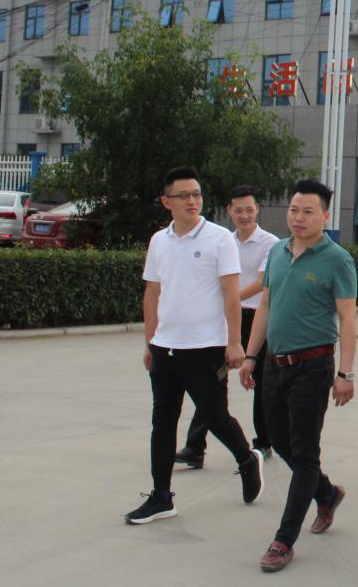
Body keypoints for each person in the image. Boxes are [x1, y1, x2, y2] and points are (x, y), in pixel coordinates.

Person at [124, 166, 263, 525]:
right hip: (165, 349)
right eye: (184, 195)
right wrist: (149, 343)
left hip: (206, 349)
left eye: (197, 194)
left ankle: (247, 459)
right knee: (163, 422)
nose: (192, 201)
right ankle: (161, 496)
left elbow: (232, 296)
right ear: (166, 201)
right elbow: (152, 294)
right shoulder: (159, 241)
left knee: (215, 416)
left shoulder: (218, 239)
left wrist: (234, 342)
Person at [236, 179, 357, 572]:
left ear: (325, 216)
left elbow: (348, 318)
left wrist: (345, 373)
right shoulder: (276, 251)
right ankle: (326, 492)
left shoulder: (337, 259)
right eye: (293, 209)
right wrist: (251, 356)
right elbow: (265, 307)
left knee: (304, 453)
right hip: (274, 364)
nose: (299, 217)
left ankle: (283, 540)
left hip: (313, 366)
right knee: (282, 444)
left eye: (308, 211)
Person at [176, 185, 278, 468]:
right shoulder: (223, 241)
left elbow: (262, 282)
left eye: (250, 209)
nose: (244, 215)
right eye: (238, 210)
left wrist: (230, 298)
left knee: (260, 383)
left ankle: (264, 443)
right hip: (226, 322)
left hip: (256, 320)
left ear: (257, 209)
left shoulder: (271, 243)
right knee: (211, 381)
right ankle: (195, 447)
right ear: (229, 210)